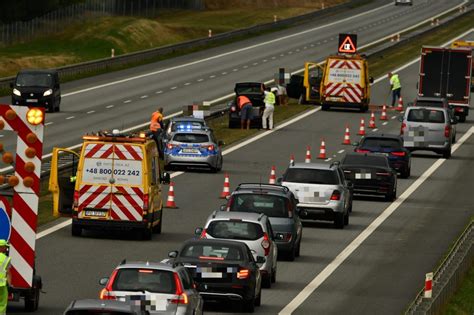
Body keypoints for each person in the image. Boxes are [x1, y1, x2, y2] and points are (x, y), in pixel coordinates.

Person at [0, 240, 11, 315]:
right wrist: (9, 285)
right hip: (2, 286)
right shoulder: (6, 259)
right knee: (2, 304)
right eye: (5, 247)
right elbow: (8, 273)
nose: (6, 249)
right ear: (2, 247)